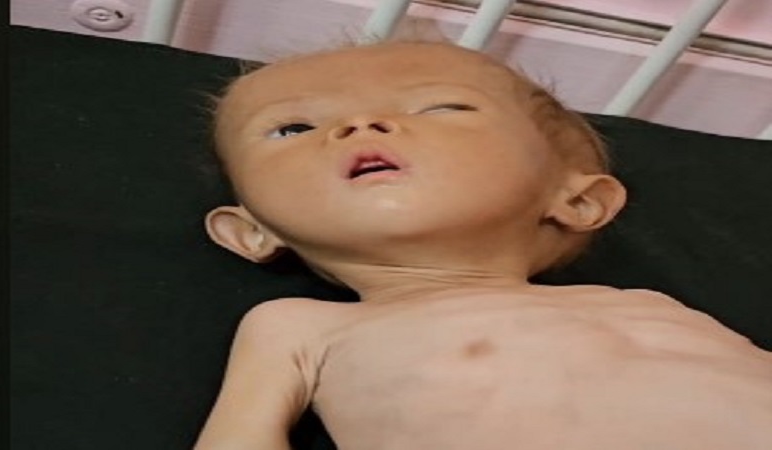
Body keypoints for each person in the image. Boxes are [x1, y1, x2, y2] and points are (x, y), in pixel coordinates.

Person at [195, 41, 772, 450]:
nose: (362, 124)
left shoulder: (650, 304)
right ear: (252, 230)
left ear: (578, 200)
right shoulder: (299, 328)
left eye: (442, 107)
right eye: (292, 128)